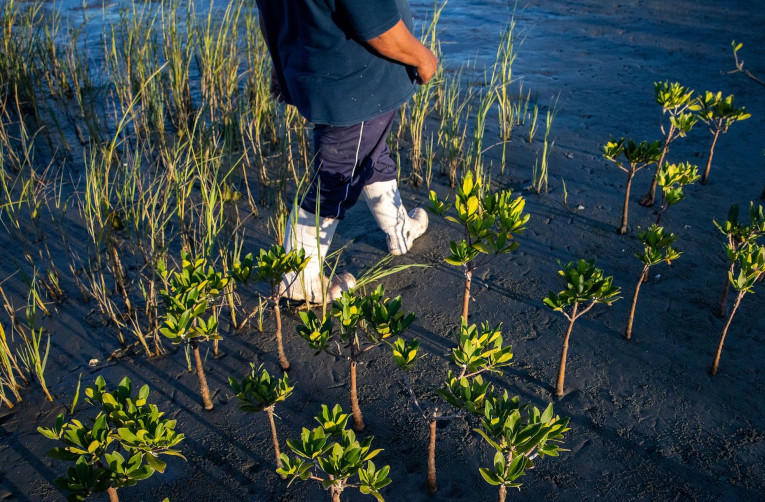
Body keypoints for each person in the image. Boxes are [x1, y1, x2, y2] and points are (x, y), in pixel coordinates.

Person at [256, 0, 439, 303]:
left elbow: (270, 13)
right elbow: (378, 28)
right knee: (333, 180)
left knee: (370, 154)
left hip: (318, 71)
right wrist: (423, 58)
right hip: (354, 84)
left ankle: (400, 231)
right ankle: (299, 281)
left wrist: (279, 64)